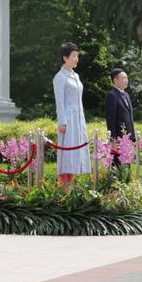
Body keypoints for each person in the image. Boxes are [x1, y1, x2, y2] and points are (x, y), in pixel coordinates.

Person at [53, 43, 90, 186]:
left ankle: (73, 188)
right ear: (65, 57)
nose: (76, 59)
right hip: (68, 120)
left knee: (76, 153)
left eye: (77, 56)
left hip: (78, 120)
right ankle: (64, 189)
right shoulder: (60, 77)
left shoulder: (76, 76)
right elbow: (59, 101)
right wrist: (62, 122)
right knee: (67, 154)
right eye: (74, 56)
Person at [105, 68, 136, 166]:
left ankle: (126, 181)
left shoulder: (126, 95)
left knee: (127, 164)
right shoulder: (112, 95)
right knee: (118, 165)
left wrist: (133, 138)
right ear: (115, 80)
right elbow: (110, 119)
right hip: (118, 138)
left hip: (128, 138)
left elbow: (130, 117)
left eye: (127, 78)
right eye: (124, 78)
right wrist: (112, 139)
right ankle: (117, 181)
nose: (126, 80)